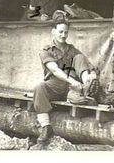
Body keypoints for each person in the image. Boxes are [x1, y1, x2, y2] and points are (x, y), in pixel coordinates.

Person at [33, 11, 99, 144]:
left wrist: (90, 76)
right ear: (53, 31)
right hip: (56, 85)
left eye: (66, 32)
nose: (63, 35)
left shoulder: (71, 49)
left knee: (79, 57)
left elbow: (85, 63)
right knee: (39, 88)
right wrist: (73, 82)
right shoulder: (46, 51)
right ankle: (46, 127)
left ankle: (86, 89)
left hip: (73, 87)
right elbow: (55, 70)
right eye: (60, 32)